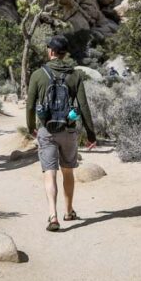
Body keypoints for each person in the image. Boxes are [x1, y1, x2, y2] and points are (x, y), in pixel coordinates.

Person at [26, 34, 97, 232]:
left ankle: (53, 216)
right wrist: (91, 135)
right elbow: (83, 105)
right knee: (67, 171)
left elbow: (30, 105)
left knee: (50, 174)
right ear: (65, 53)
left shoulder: (38, 74)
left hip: (46, 130)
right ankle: (69, 211)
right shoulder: (75, 75)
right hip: (68, 130)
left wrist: (30, 126)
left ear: (50, 51)